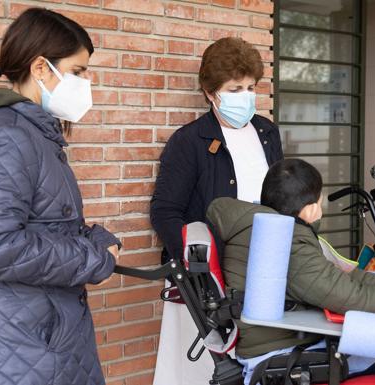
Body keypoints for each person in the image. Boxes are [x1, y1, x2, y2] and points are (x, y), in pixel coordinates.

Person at [0, 8, 120, 385]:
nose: (86, 82)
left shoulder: (33, 133)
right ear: (41, 68)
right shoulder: (8, 136)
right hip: (17, 347)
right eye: (77, 71)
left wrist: (95, 240)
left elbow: (47, 221)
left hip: (35, 336)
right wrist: (92, 257)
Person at [207, 159, 375, 385]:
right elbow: (347, 296)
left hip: (286, 339)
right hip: (285, 353)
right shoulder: (287, 242)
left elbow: (334, 276)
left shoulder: (263, 226)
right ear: (311, 209)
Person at [150, 37, 283, 385]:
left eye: (251, 87)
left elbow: (280, 198)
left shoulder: (267, 132)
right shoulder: (189, 141)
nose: (246, 96)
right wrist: (200, 269)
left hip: (262, 272)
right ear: (210, 93)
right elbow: (165, 212)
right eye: (235, 88)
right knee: (205, 373)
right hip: (208, 283)